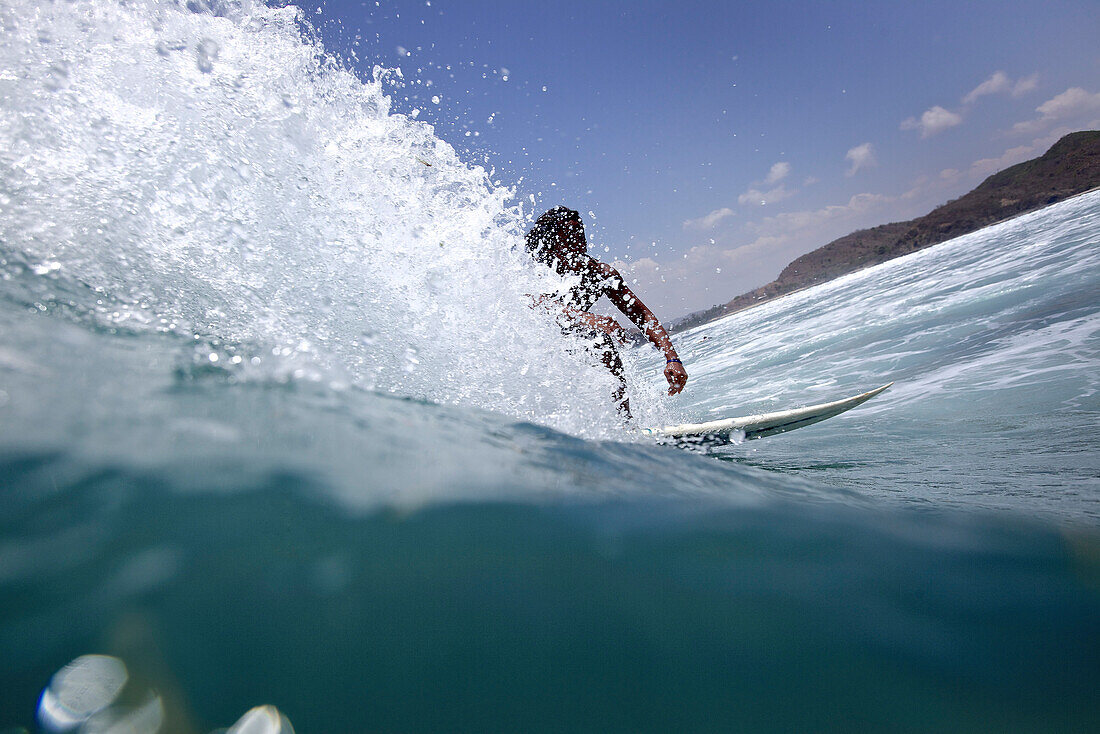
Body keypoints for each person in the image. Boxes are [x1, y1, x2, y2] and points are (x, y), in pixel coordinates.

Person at [525, 206, 688, 417]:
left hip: (566, 341)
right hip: (527, 345)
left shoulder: (598, 273)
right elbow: (535, 303)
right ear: (554, 240)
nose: (580, 239)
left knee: (602, 345)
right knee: (599, 339)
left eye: (580, 231)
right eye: (571, 233)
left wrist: (672, 358)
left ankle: (624, 423)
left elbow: (642, 315)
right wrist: (588, 318)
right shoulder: (535, 270)